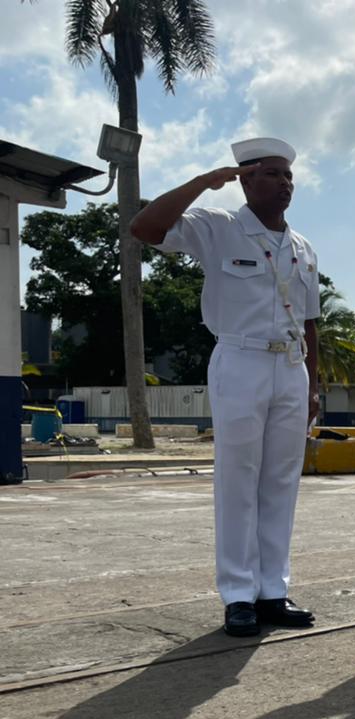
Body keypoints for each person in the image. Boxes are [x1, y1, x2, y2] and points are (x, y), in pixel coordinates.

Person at [129, 136, 319, 638]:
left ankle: (272, 590)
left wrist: (313, 385)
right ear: (245, 178)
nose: (285, 184)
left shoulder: (301, 247)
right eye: (273, 174)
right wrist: (200, 184)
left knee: (281, 481)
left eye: (289, 176)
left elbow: (311, 321)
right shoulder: (217, 227)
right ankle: (238, 594)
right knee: (238, 478)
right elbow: (144, 227)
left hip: (292, 367)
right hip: (240, 359)